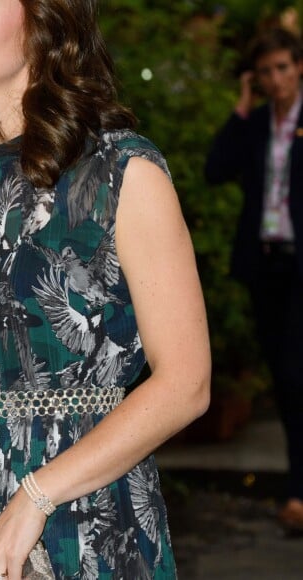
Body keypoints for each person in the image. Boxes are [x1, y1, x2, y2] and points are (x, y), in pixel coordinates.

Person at [0, 1, 211, 578]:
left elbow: (185, 383)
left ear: (47, 19)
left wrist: (38, 496)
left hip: (91, 513)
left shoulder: (123, 173)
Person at [205, 27, 303, 533]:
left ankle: (297, 492)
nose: (275, 79)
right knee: (286, 380)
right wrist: (241, 108)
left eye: (282, 67)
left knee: (292, 374)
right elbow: (215, 170)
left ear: (299, 66)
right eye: (265, 72)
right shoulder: (258, 122)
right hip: (267, 267)